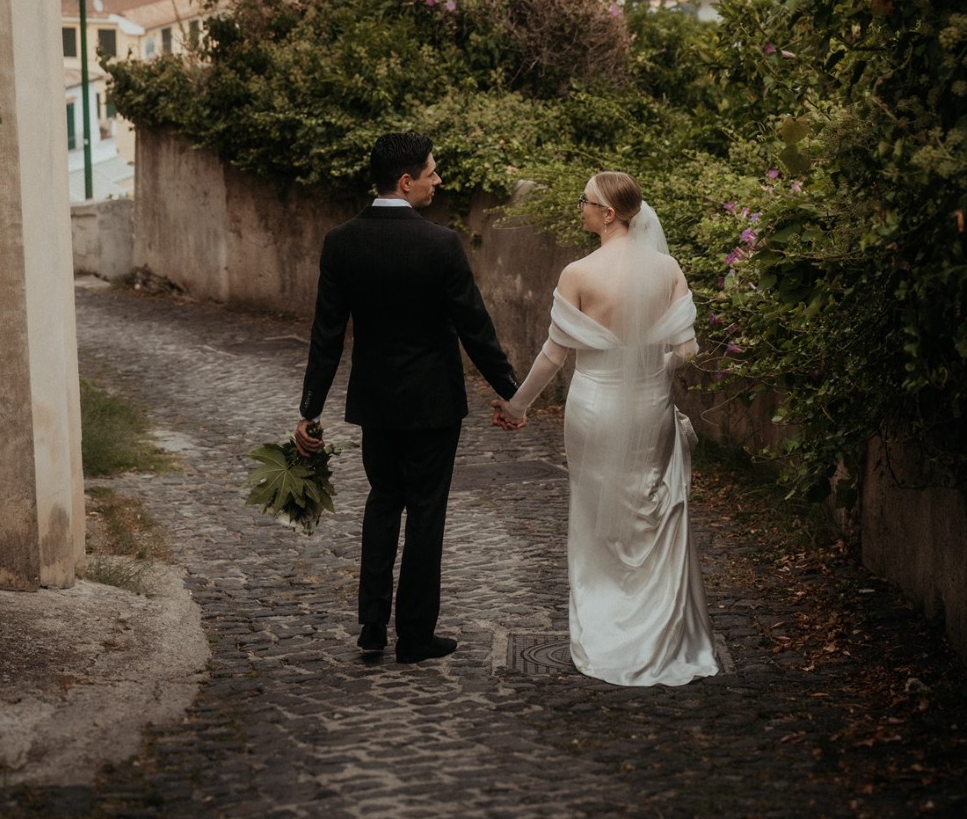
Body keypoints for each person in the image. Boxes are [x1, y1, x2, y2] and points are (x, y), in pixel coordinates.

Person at [295, 131, 520, 665]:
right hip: (433, 406)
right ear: (405, 180)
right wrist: (514, 393)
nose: (437, 181)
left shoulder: (341, 241)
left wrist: (311, 409)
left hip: (376, 403)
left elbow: (327, 334)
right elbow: (475, 329)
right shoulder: (440, 244)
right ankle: (415, 636)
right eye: (431, 172)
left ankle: (372, 625)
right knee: (425, 513)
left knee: (381, 501)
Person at [492, 170, 718, 687]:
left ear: (608, 214)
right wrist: (650, 373)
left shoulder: (579, 273)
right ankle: (660, 629)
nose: (581, 208)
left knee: (596, 510)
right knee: (651, 507)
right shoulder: (667, 269)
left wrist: (517, 405)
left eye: (586, 201)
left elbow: (553, 355)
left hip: (594, 404)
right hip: (648, 404)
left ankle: (605, 623)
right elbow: (686, 349)